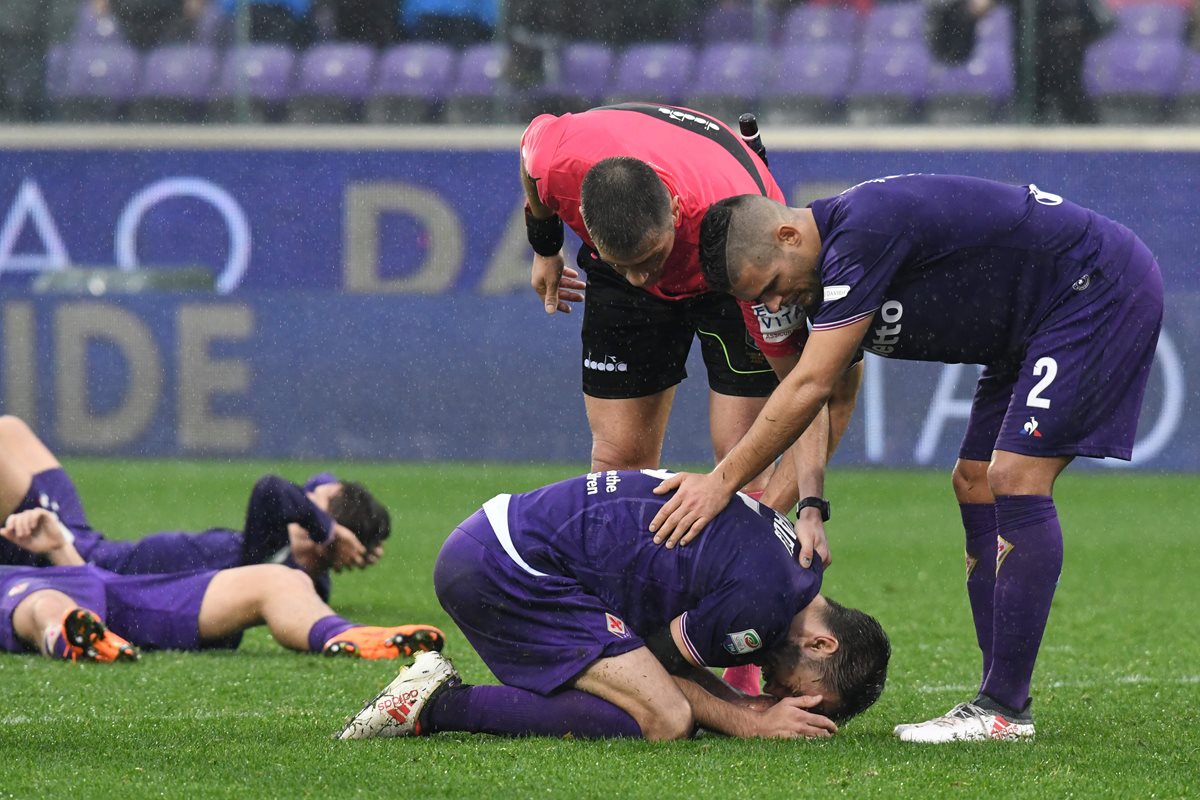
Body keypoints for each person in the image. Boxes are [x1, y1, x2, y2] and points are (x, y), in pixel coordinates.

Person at [649, 173, 1164, 742]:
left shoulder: (864, 231)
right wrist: (811, 505)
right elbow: (816, 394)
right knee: (974, 482)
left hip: (1091, 287)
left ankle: (1003, 709)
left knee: (1015, 477)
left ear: (790, 235)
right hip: (1025, 328)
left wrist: (721, 483)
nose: (774, 303)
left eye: (771, 285)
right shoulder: (823, 268)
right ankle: (994, 702)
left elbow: (810, 385)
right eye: (759, 300)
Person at [522, 103, 865, 696]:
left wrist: (810, 504)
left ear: (674, 214)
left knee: (745, 460)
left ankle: (742, 641)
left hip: (718, 260)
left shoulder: (744, 245)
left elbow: (803, 390)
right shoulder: (560, 163)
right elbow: (529, 161)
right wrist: (546, 246)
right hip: (640, 238)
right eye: (628, 268)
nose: (643, 282)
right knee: (617, 462)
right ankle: (618, 652)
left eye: (651, 263)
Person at [336, 469, 889, 741]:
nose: (773, 688)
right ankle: (432, 704)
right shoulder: (762, 605)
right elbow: (667, 674)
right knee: (666, 719)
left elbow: (669, 662)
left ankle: (442, 701)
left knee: (649, 702)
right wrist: (747, 721)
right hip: (505, 567)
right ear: (822, 642)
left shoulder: (801, 565)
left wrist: (745, 710)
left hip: (501, 539)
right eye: (793, 688)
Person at [0, 415, 385, 600]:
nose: (306, 493)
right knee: (11, 429)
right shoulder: (300, 546)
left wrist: (333, 533)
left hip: (79, 559)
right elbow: (318, 483)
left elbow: (272, 489)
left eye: (313, 503)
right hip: (94, 543)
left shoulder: (273, 558)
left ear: (322, 534)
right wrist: (355, 537)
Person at [0, 505, 444, 661]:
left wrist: (57, 541)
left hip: (117, 593)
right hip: (37, 591)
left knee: (279, 580)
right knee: (45, 603)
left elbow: (86, 580)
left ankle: (346, 637)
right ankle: (74, 640)